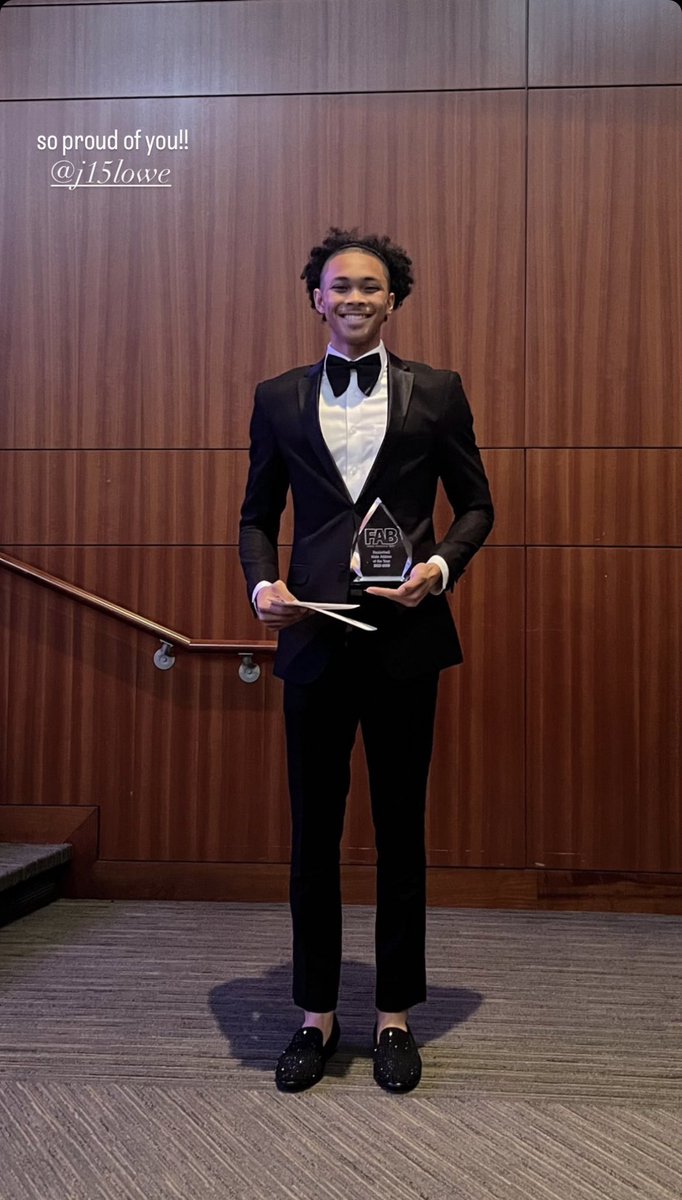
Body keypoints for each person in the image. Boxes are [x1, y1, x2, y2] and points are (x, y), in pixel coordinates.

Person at [239, 227, 494, 1092]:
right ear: (316, 296)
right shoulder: (276, 398)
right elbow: (254, 515)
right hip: (311, 640)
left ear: (394, 299)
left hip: (404, 644)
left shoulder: (440, 393)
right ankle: (314, 1012)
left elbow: (477, 506)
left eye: (371, 287)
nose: (354, 298)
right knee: (313, 834)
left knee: (401, 834)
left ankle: (393, 1016)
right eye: (339, 286)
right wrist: (260, 585)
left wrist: (438, 568)